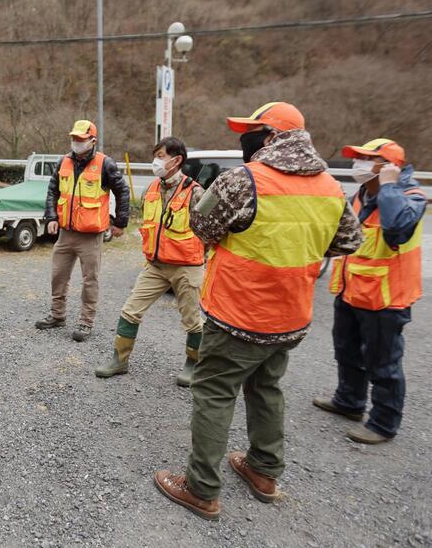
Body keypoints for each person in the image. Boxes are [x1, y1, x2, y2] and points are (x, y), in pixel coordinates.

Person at [153, 101, 363, 520]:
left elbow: (201, 225)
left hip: (238, 314)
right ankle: (264, 471)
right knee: (266, 389)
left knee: (214, 393)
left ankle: (201, 488)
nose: (242, 139)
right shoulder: (329, 186)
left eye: (249, 132)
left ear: (270, 138)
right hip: (290, 317)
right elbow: (348, 241)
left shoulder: (244, 181)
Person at [314, 138, 426, 444]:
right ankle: (349, 401)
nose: (359, 165)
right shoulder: (362, 195)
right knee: (346, 350)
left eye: (368, 159)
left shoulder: (410, 196)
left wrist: (389, 187)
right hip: (352, 290)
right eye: (358, 158)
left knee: (383, 363)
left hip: (385, 298)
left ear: (391, 167)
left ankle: (383, 423)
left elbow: (396, 228)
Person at [97, 136, 205, 385]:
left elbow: (211, 231)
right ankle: (119, 360)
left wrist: (200, 259)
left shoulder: (195, 192)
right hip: (155, 266)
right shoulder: (152, 190)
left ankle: (193, 365)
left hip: (187, 267)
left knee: (192, 320)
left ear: (176, 160)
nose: (155, 161)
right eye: (155, 156)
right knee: (130, 311)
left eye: (160, 156)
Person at [35, 120, 130, 342]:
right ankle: (57, 315)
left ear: (92, 141)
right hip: (66, 232)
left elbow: (122, 191)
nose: (76, 142)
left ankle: (86, 322)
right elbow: (53, 190)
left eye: (81, 139)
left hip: (91, 235)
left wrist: (121, 223)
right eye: (74, 138)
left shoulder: (105, 164)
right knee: (58, 275)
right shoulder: (63, 162)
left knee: (90, 280)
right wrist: (51, 216)